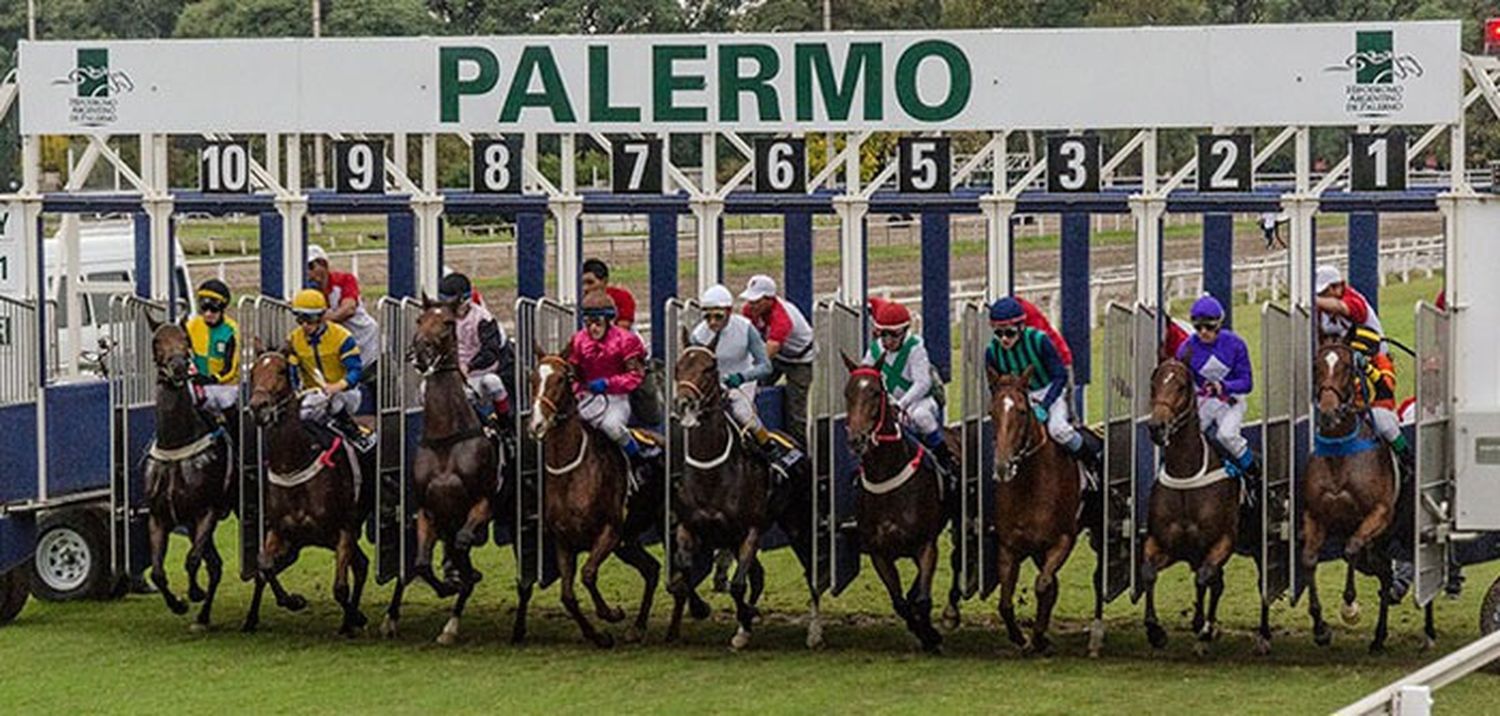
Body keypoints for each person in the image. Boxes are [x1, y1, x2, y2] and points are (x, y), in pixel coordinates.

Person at [1315, 264, 1416, 599]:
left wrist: (1308, 298)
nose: (1325, 296)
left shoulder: (1352, 301)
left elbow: (1337, 309)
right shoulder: (1324, 312)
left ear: (1337, 287)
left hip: (1374, 365)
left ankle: (1407, 461)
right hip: (1341, 372)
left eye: (1327, 290)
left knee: (1384, 421)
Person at [690, 284, 802, 471]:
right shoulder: (698, 335)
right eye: (707, 316)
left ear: (729, 311)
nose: (712, 322)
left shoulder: (745, 329)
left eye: (718, 316)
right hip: (712, 383)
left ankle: (770, 451)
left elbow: (765, 366)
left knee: (741, 413)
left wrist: (742, 377)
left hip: (742, 380)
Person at [985, 296, 1102, 474]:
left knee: (1058, 430)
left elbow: (1060, 376)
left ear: (1021, 327)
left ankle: (1091, 465)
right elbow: (995, 385)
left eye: (1009, 333)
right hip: (1019, 396)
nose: (1004, 339)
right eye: (998, 333)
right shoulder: (992, 352)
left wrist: (1045, 406)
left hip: (1049, 389)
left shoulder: (1040, 341)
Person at [859, 299, 959, 484]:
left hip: (918, 401)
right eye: (884, 335)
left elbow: (922, 383)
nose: (888, 341)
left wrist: (901, 404)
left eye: (893, 335)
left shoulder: (915, 348)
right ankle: (861, 469)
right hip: (889, 402)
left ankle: (944, 461)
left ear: (904, 331)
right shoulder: (875, 350)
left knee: (921, 417)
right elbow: (865, 374)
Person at [566, 290, 657, 478]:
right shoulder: (578, 340)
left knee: (611, 427)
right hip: (588, 397)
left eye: (597, 322)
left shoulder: (627, 340)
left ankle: (637, 461)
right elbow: (573, 374)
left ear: (608, 321)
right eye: (588, 323)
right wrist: (578, 389)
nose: (592, 328)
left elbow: (635, 376)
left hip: (617, 398)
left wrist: (607, 383)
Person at [1176, 296, 1260, 487]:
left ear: (1219, 324)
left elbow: (1247, 383)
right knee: (1186, 436)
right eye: (1198, 328)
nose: (1203, 332)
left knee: (1226, 435)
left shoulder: (1235, 344)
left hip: (1231, 400)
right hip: (1203, 401)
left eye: (1209, 327)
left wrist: (1224, 386)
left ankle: (1253, 473)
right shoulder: (1186, 349)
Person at [287, 288, 369, 450]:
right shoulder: (294, 339)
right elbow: (293, 372)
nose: (304, 325)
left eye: (309, 319)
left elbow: (356, 371)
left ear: (322, 316)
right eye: (300, 319)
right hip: (313, 394)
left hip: (346, 393)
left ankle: (354, 432)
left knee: (335, 401)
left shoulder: (342, 337)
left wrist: (337, 386)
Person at [740, 274, 816, 447]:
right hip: (780, 355)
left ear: (769, 300)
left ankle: (801, 450)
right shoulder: (749, 311)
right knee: (753, 392)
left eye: (756, 301)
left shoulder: (782, 319)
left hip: (801, 361)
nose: (751, 305)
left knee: (795, 411)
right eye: (750, 300)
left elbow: (766, 356)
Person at [438, 272, 511, 427]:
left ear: (464, 301)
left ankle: (505, 428)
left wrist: (469, 366)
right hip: (452, 372)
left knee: (493, 383)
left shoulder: (483, 318)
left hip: (479, 372)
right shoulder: (443, 319)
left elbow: (490, 352)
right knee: (425, 390)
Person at [307, 244, 380, 377]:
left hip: (366, 341)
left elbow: (348, 309)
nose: (308, 273)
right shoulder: (310, 291)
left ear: (323, 265)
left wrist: (322, 319)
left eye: (311, 267)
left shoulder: (345, 280)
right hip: (342, 349)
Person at [186, 279, 241, 417]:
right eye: (204, 309)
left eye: (213, 310)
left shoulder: (231, 330)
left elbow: (231, 368)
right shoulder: (192, 325)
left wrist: (211, 379)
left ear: (222, 309)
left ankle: (235, 437)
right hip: (198, 383)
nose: (208, 314)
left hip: (223, 385)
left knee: (223, 400)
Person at [581, 258, 637, 332]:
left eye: (590, 282)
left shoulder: (621, 297)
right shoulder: (580, 299)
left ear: (604, 281)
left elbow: (623, 330)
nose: (585, 288)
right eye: (582, 283)